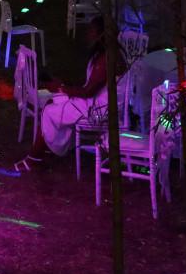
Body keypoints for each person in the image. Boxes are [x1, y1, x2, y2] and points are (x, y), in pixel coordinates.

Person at [18, 16, 123, 166]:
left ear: (102, 34)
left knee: (50, 109)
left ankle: (35, 157)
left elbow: (88, 92)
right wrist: (66, 86)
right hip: (96, 102)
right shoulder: (106, 54)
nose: (88, 33)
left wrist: (62, 88)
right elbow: (91, 84)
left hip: (99, 109)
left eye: (91, 30)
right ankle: (46, 148)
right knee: (53, 101)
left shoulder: (106, 58)